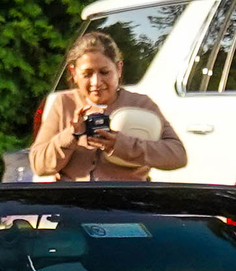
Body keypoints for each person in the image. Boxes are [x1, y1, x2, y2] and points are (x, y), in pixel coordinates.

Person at [30, 31, 187, 181]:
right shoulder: (64, 104)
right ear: (73, 73)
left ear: (118, 69)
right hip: (75, 200)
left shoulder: (141, 105)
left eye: (104, 72)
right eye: (87, 74)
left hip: (124, 200)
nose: (96, 83)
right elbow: (39, 165)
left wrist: (120, 145)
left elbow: (177, 155)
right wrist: (71, 135)